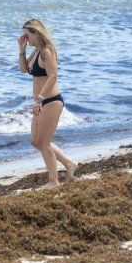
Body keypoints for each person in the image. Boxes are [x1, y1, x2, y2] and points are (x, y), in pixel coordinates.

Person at [18, 18, 78, 188]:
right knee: (36, 141)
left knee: (43, 142)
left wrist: (40, 99)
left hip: (50, 101)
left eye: (26, 35)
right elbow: (23, 70)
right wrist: (21, 50)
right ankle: (69, 164)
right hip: (40, 102)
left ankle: (54, 182)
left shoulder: (46, 52)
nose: (24, 38)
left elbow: (53, 77)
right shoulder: (36, 51)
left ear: (36, 33)